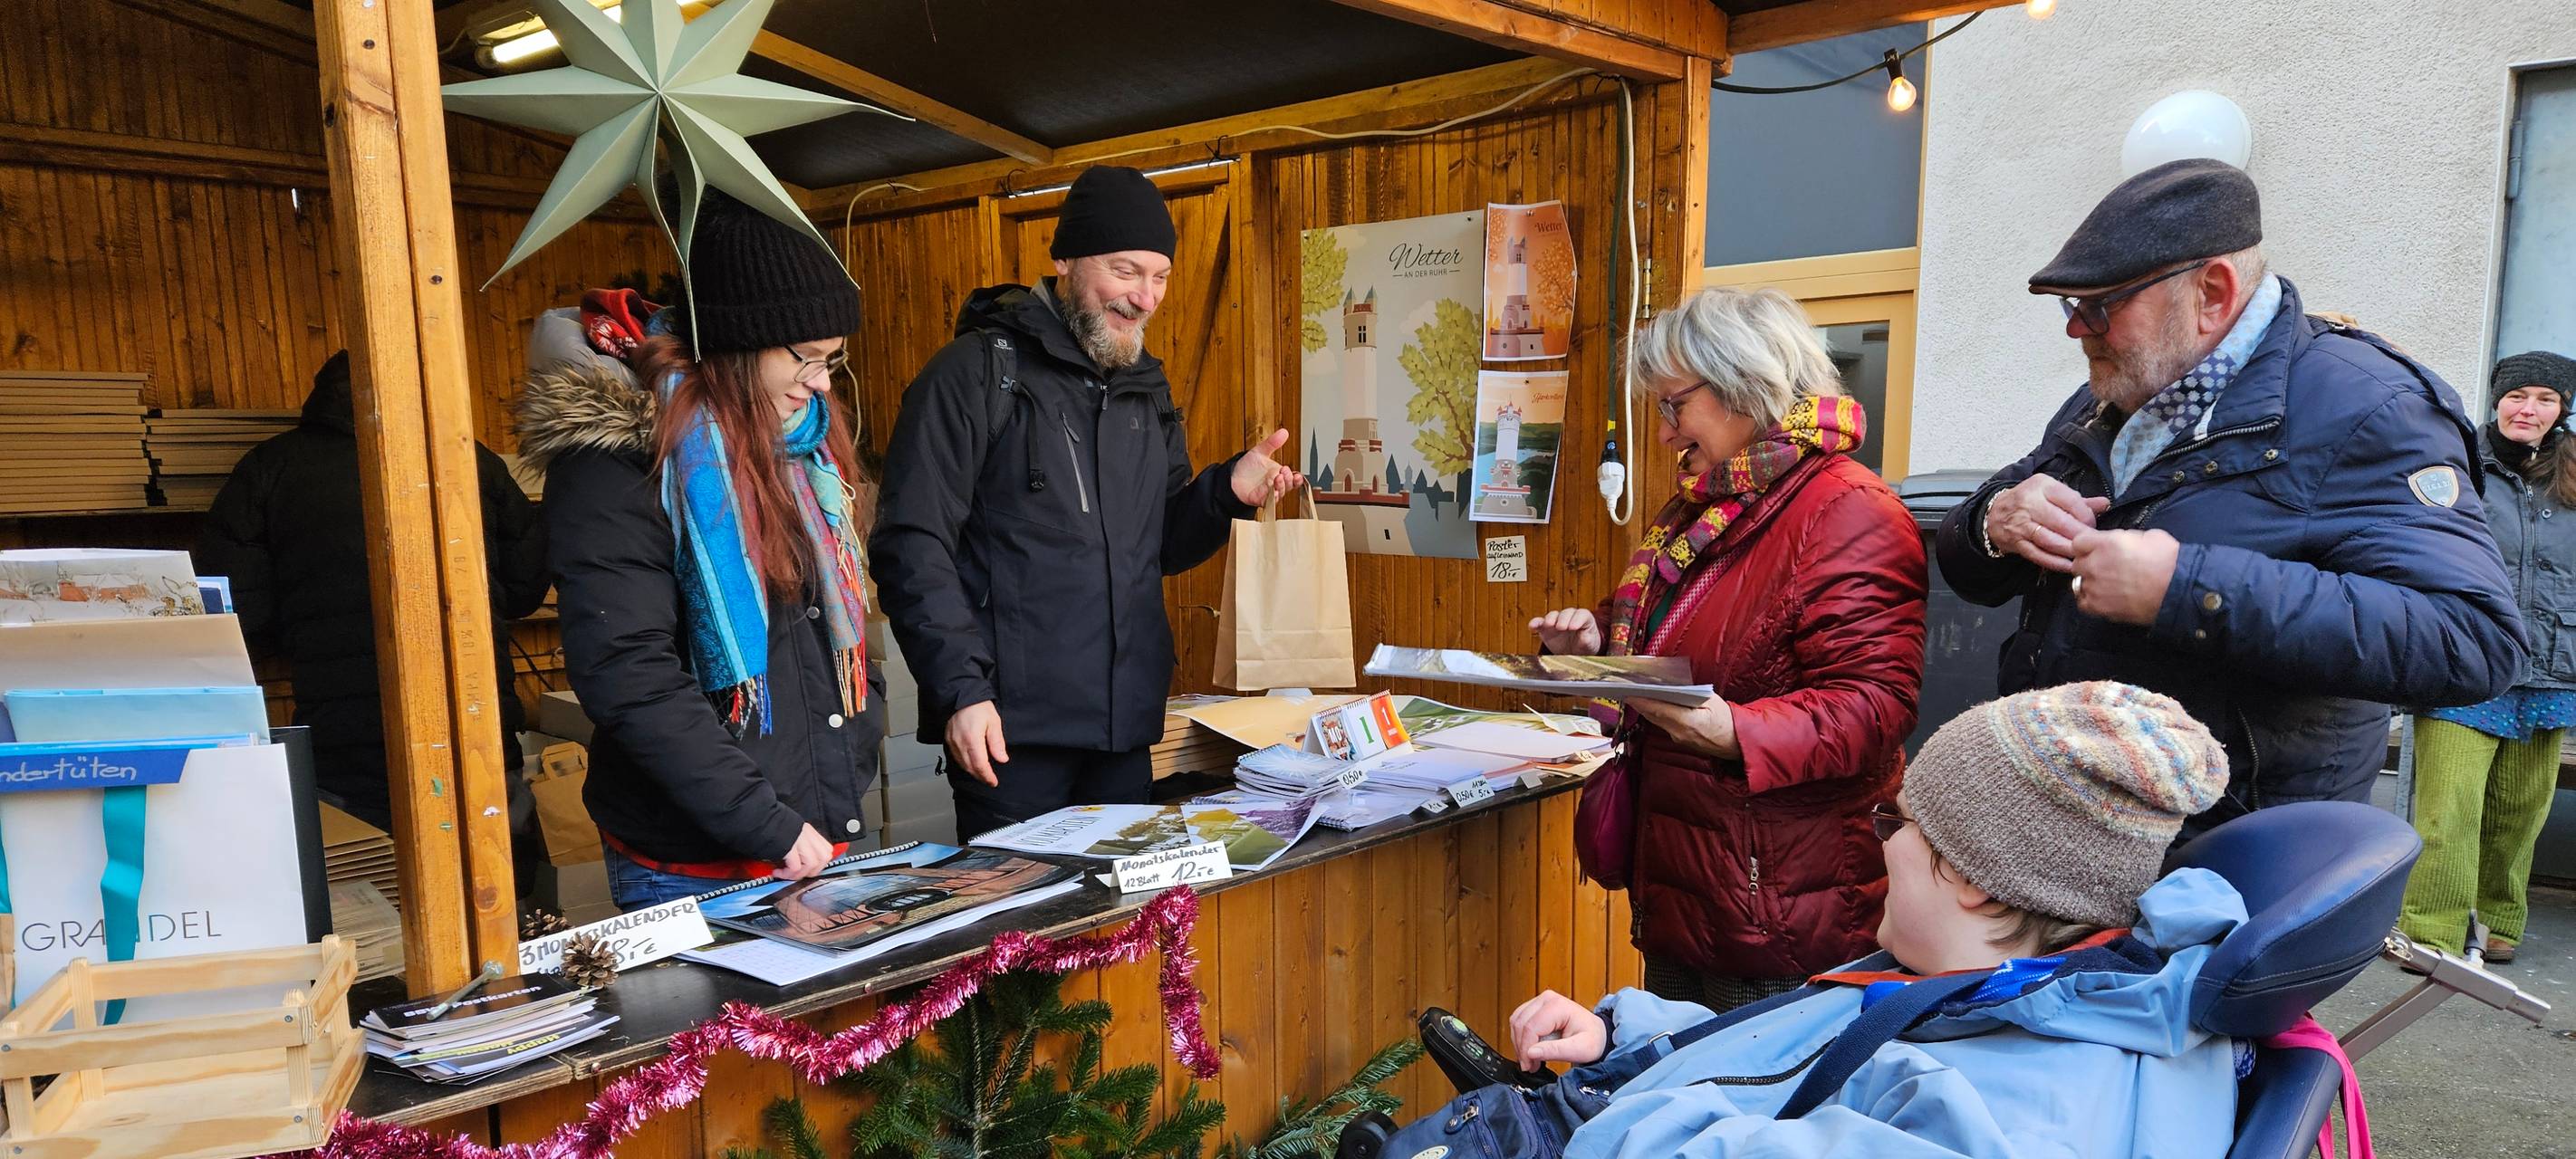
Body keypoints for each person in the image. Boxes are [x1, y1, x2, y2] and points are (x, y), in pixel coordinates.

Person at [1933, 158, 2525, 834]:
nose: (2076, 329)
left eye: (2099, 305)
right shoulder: (2121, 386)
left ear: (2212, 292)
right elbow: (1966, 563)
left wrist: (2185, 589)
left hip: (2231, 861)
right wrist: (1994, 520)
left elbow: (2473, 641)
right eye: (2071, 306)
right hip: (2077, 827)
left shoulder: (2369, 407)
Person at [1506, 682, 2238, 1157]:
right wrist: (1629, 1037)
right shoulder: (1982, 992)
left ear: (1973, 878)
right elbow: (1809, 1052)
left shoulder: (1997, 1124)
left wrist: (1591, 1124)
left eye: (1899, 822)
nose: (1878, 841)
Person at [871, 166, 1302, 839]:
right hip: (1011, 736)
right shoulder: (975, 374)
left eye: (1160, 277)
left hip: (1123, 731)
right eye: (1126, 271)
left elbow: (1158, 546)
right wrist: (962, 693)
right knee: (1021, 938)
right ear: (1065, 258)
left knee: (1123, 936)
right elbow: (911, 545)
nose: (1146, 297)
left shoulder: (1144, 387)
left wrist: (1225, 494)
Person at [1527, 286, 1927, 1013]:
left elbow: (1876, 706)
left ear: (1746, 384)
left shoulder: (1848, 511)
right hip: (1691, 891)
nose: (1664, 435)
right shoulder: (1714, 504)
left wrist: (1735, 731)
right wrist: (1596, 636)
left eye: (1673, 406)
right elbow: (1690, 627)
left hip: (1781, 917)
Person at [515, 193, 884, 909]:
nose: (822, 382)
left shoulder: (800, 440)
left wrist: (840, 772)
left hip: (813, 841)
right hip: (696, 868)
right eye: (806, 358)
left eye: (834, 360)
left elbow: (820, 627)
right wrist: (764, 821)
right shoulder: (623, 461)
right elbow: (626, 668)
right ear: (738, 347)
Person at [198, 350, 550, 833]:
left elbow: (238, 609)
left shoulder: (271, 467)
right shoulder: (469, 458)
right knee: (488, 873)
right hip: (472, 714)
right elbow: (526, 586)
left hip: (343, 732)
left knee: (366, 882)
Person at [2398, 350, 2576, 963]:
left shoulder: (2575, 473)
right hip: (2466, 657)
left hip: (2551, 666)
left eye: (2546, 399)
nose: (2529, 409)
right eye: (2518, 395)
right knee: (2450, 810)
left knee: (2522, 811)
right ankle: (2432, 933)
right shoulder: (2458, 463)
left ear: (2562, 408)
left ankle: (2498, 922)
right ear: (2498, 399)